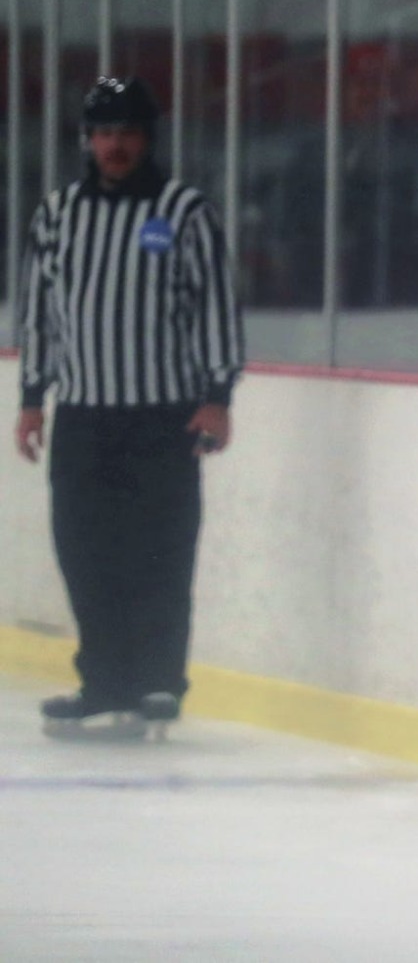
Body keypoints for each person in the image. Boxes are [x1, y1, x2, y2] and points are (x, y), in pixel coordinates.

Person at [13, 76, 244, 737]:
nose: (115, 145)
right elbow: (39, 315)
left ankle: (157, 682)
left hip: (162, 415)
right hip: (84, 416)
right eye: (104, 133)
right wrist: (33, 399)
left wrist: (217, 396)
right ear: (88, 139)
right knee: (84, 550)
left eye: (127, 133)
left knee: (161, 552)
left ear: (147, 138)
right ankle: (102, 680)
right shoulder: (57, 215)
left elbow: (215, 307)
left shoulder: (184, 212)